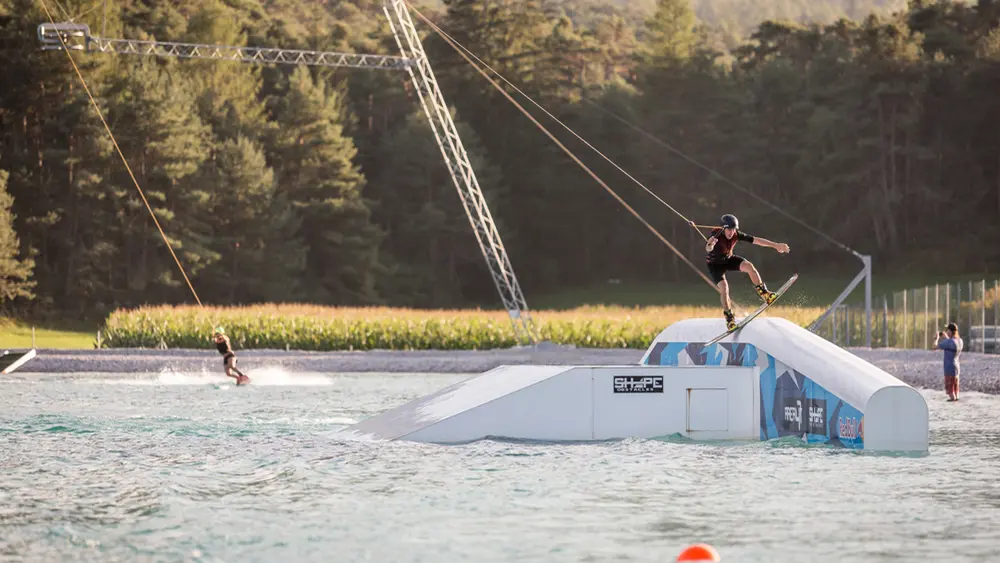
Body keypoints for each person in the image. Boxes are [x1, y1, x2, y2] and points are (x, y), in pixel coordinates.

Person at [691, 214, 791, 330]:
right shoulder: (716, 235)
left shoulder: (736, 234)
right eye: (729, 229)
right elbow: (708, 248)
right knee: (724, 289)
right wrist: (710, 244)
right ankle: (730, 320)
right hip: (715, 266)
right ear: (723, 228)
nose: (731, 232)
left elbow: (757, 240)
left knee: (749, 266)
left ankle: (765, 294)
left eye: (733, 229)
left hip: (728, 260)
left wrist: (775, 245)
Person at [934, 322, 963, 401]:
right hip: (957, 369)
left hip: (949, 368)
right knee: (956, 390)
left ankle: (953, 404)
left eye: (947, 330)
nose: (946, 332)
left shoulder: (949, 342)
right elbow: (952, 343)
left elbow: (935, 346)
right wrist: (946, 337)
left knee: (950, 391)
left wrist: (936, 338)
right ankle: (956, 403)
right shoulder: (960, 341)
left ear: (950, 331)